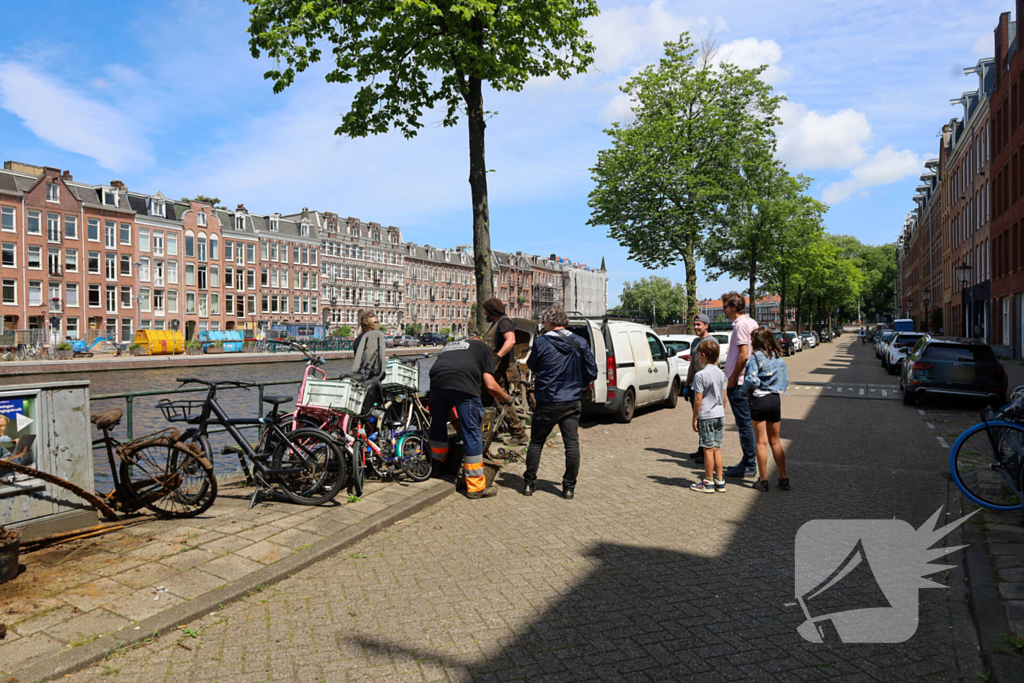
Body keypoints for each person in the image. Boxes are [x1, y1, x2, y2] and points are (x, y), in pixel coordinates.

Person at [522, 306, 598, 500]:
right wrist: (579, 384)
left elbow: (532, 365)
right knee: (571, 445)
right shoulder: (580, 341)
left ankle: (529, 484)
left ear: (549, 322)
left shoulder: (541, 342)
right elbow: (592, 371)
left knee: (537, 442)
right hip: (571, 401)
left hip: (547, 400)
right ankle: (568, 488)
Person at [427, 335, 512, 498]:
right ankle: (475, 488)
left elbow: (447, 394)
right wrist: (508, 399)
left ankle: (436, 467)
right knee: (472, 433)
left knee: (437, 425)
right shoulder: (483, 348)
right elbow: (490, 385)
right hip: (465, 386)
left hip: (437, 382)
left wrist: (455, 421)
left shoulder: (449, 346)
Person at [744, 327, 790, 492]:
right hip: (774, 399)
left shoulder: (755, 357)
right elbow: (784, 379)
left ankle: (763, 480)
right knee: (775, 441)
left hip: (759, 400)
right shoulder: (778, 357)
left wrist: (743, 392)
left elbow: (750, 379)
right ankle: (783, 478)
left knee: (761, 442)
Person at [721, 292, 759, 478]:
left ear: (734, 307)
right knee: (747, 423)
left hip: (741, 382)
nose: (723, 310)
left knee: (744, 424)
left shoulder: (741, 325)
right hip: (749, 380)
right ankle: (747, 461)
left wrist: (733, 378)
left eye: (725, 307)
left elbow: (744, 355)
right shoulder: (751, 322)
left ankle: (749, 464)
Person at [482, 298, 528, 444]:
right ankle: (488, 433)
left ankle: (518, 433)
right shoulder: (496, 324)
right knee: (488, 402)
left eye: (486, 311)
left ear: (491, 311)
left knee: (501, 400)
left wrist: (498, 357)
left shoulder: (504, 322)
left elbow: (511, 340)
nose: (484, 313)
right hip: (493, 370)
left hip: (501, 370)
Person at [689, 339, 727, 494]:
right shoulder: (721, 373)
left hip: (707, 415)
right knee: (717, 448)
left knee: (708, 450)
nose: (698, 358)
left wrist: (695, 417)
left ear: (704, 355)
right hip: (720, 414)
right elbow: (724, 397)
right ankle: (720, 480)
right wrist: (721, 410)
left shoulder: (700, 375)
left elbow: (698, 399)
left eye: (698, 355)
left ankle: (708, 481)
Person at [683, 313, 713, 464]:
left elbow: (713, 365)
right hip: (695, 385)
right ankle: (701, 448)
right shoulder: (695, 342)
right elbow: (691, 364)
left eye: (698, 325)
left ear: (706, 325)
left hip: (706, 387)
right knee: (699, 419)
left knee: (705, 419)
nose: (695, 327)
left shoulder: (711, 342)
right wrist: (687, 384)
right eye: (694, 325)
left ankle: (706, 451)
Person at [345, 310, 388, 413]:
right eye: (375, 322)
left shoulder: (358, 339)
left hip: (361, 376)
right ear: (368, 325)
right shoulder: (372, 338)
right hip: (371, 377)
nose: (378, 324)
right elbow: (371, 358)